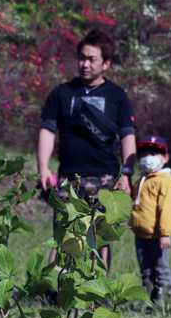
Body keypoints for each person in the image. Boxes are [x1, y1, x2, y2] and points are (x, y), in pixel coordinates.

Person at [37, 28, 137, 268]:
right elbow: (48, 131)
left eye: (92, 59)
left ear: (106, 63)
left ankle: (96, 293)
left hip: (105, 178)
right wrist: (42, 167)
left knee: (100, 238)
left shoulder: (118, 96)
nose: (85, 64)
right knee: (63, 235)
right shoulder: (61, 93)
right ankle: (55, 293)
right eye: (82, 57)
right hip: (69, 178)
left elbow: (127, 136)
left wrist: (127, 173)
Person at [128, 135, 171, 308]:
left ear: (165, 158)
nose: (148, 157)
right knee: (146, 269)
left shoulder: (165, 182)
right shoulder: (141, 180)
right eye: (144, 153)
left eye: (154, 153)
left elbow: (167, 209)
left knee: (160, 267)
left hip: (158, 236)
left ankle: (163, 298)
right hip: (140, 234)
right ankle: (147, 297)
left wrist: (165, 234)